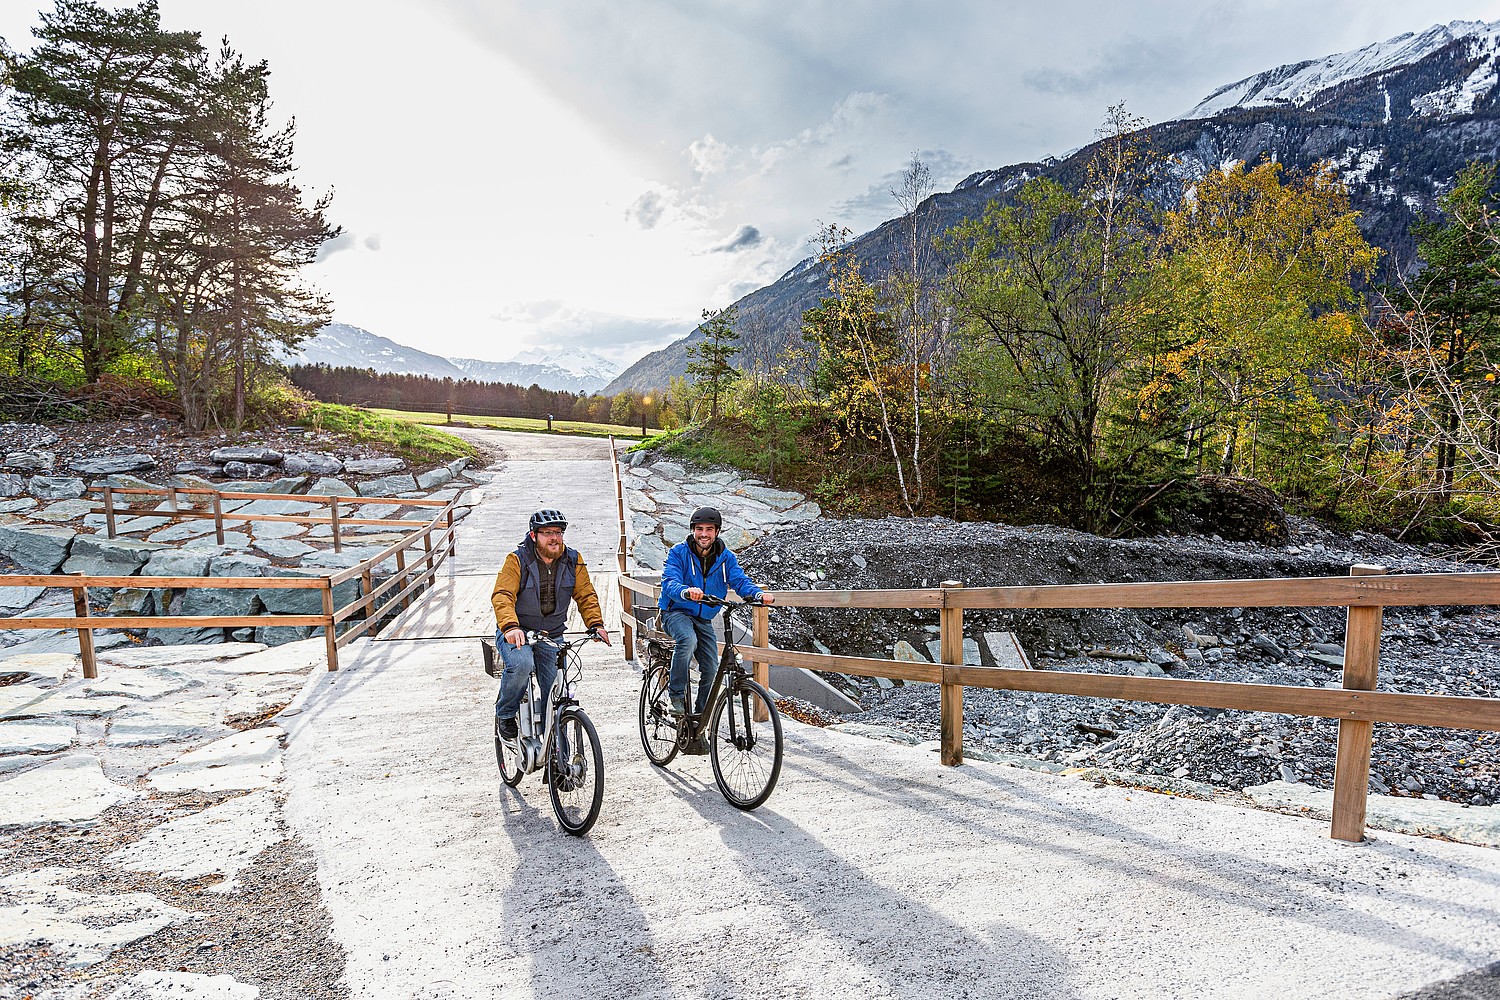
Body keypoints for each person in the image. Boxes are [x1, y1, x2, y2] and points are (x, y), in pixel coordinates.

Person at [491, 508, 610, 739]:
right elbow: (502, 595)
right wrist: (510, 627)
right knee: (522, 664)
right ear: (534, 536)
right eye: (547, 533)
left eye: (558, 532)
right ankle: (505, 714)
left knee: (556, 690)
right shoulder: (517, 560)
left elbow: (585, 594)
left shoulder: (573, 559)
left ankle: (554, 749)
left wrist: (596, 624)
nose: (554, 538)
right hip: (518, 632)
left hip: (552, 634)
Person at [657, 506, 773, 718]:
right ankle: (675, 695)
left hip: (704, 617)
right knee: (688, 640)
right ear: (693, 530)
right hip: (676, 611)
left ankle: (700, 718)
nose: (703, 534)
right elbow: (669, 582)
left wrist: (757, 594)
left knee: (711, 667)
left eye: (709, 529)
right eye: (699, 529)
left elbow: (739, 580)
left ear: (717, 531)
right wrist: (685, 591)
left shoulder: (725, 557)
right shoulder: (678, 552)